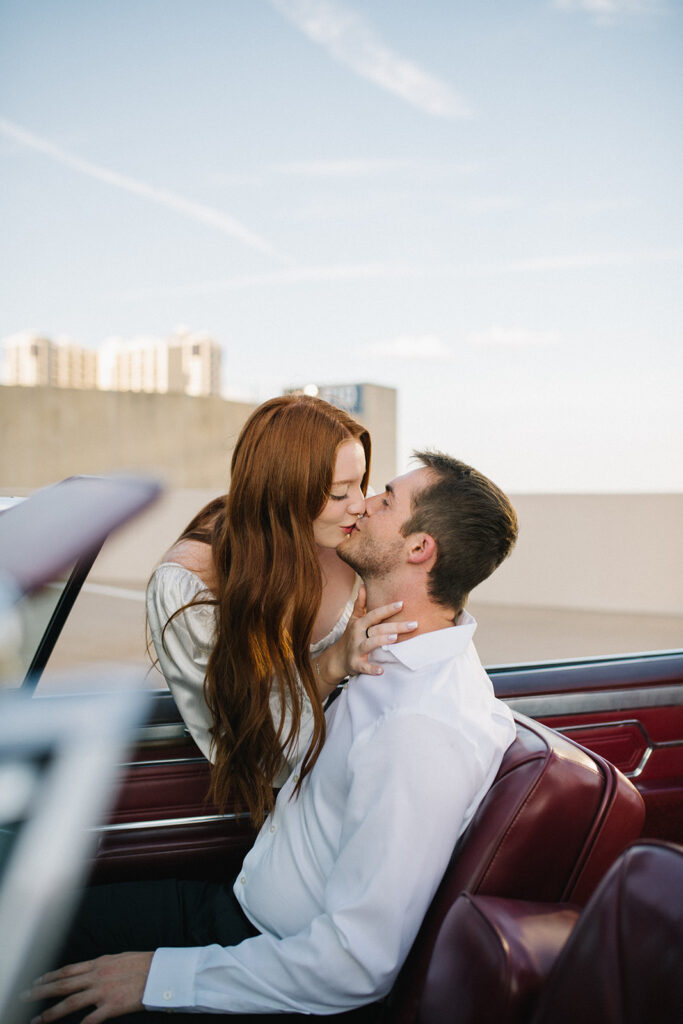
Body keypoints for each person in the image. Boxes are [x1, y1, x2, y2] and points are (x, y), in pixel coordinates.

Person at [28, 451, 518, 1023]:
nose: (361, 506)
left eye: (383, 499)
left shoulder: (421, 729)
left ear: (418, 549)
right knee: (34, 921)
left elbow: (354, 964)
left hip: (264, 962)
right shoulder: (389, 646)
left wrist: (158, 977)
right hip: (235, 908)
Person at [146, 394, 415, 824]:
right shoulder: (192, 590)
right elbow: (253, 750)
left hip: (373, 779)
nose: (360, 504)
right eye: (337, 492)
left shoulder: (349, 536)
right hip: (278, 810)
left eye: (362, 483)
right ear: (281, 494)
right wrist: (331, 665)